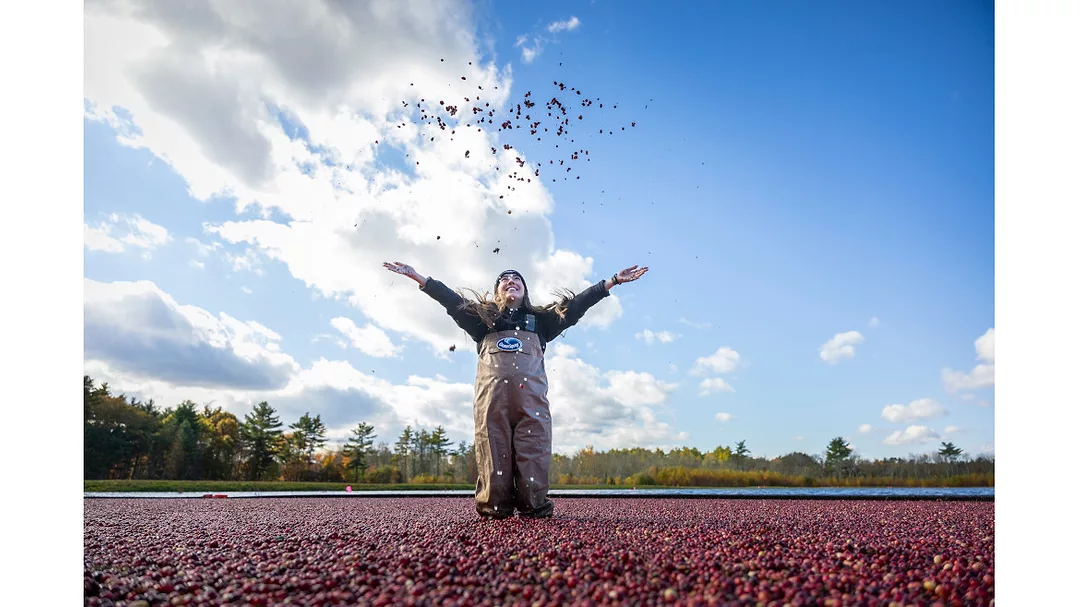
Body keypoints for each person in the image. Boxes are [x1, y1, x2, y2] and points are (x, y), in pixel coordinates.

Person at [382, 261, 648, 519]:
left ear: (525, 290)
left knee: (534, 458)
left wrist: (610, 281)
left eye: (517, 279)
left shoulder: (542, 320)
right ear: (497, 291)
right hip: (491, 403)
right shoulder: (481, 320)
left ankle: (535, 509)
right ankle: (494, 511)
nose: (511, 282)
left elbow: (576, 305)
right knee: (493, 462)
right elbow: (451, 301)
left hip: (531, 403)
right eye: (505, 280)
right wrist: (420, 279)